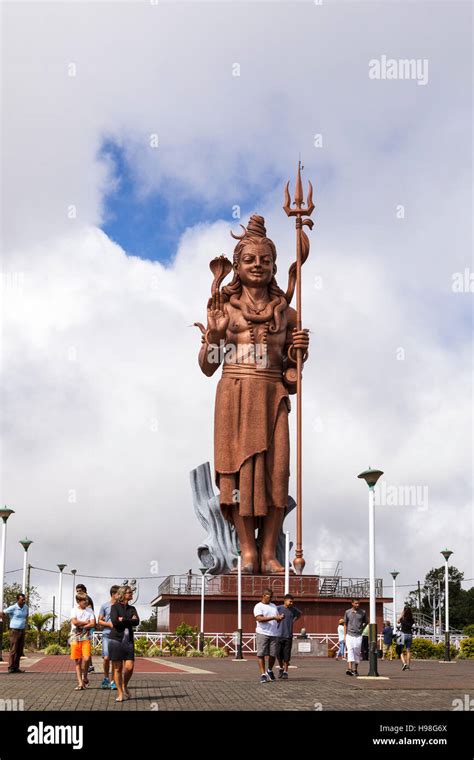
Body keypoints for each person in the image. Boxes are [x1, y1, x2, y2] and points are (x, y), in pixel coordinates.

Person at [197, 214, 310, 574]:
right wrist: (214, 337)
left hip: (272, 396)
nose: (258, 266)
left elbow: (292, 376)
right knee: (239, 477)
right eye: (249, 260)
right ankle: (247, 551)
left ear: (275, 266)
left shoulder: (288, 315)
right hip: (235, 394)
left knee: (276, 476)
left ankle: (269, 555)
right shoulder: (224, 309)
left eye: (265, 260)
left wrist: (299, 355)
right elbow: (206, 366)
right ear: (238, 265)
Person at [109, 585, 140, 702]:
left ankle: (124, 685)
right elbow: (115, 622)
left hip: (128, 641)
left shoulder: (132, 608)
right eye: (129, 592)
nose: (131, 594)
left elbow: (136, 621)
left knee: (129, 667)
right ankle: (120, 692)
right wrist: (128, 621)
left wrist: (124, 620)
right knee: (117, 669)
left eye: (131, 592)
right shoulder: (115, 607)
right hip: (115, 640)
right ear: (123, 594)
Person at [253, 589, 284, 683]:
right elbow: (259, 618)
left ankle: (269, 670)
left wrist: (279, 618)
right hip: (262, 632)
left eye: (271, 596)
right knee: (261, 654)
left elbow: (276, 617)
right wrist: (273, 617)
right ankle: (263, 674)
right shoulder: (258, 606)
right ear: (263, 596)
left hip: (274, 633)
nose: (270, 598)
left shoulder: (273, 606)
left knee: (273, 654)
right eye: (268, 596)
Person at [70, 592, 96, 690]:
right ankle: (80, 683)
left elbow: (93, 623)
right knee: (78, 661)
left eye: (86, 600)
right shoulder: (74, 610)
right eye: (83, 600)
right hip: (75, 637)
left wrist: (81, 625)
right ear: (78, 601)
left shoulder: (90, 610)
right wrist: (86, 623)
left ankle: (85, 676)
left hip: (86, 637)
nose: (86, 602)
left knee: (86, 658)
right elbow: (74, 622)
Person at [1, 593, 29, 673]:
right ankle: (11, 667)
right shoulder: (13, 607)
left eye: (24, 599)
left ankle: (16, 667)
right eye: (22, 599)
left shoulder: (25, 607)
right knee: (13, 649)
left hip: (22, 630)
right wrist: (5, 619)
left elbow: (26, 616)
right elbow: (3, 612)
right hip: (14, 631)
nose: (24, 601)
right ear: (18, 600)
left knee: (19, 650)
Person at [98, 585, 119, 690]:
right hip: (106, 634)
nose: (120, 596)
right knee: (106, 658)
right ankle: (106, 678)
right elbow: (99, 621)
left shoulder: (121, 606)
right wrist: (109, 624)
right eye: (119, 594)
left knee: (115, 659)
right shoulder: (104, 606)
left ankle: (113, 681)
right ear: (113, 594)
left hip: (117, 635)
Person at [276, 594, 302, 679]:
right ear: (285, 601)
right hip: (278, 635)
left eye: (292, 601)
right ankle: (281, 668)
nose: (291, 603)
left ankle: (286, 672)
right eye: (290, 601)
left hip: (288, 635)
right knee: (278, 654)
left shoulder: (293, 610)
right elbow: (273, 616)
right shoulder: (278, 608)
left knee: (286, 656)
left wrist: (293, 620)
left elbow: (299, 614)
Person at [343, 598, 367, 676]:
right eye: (356, 603)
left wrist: (362, 629)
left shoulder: (363, 612)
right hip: (349, 634)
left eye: (358, 603)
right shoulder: (347, 612)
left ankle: (355, 669)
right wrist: (344, 635)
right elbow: (345, 624)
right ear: (352, 603)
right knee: (350, 650)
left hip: (358, 635)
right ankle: (349, 668)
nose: (357, 605)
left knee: (357, 652)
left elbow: (366, 622)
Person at [76, 583, 95, 673]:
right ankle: (89, 665)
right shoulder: (80, 601)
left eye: (80, 591)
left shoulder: (87, 599)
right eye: (77, 591)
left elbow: (89, 612)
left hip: (88, 627)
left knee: (86, 645)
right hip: (81, 627)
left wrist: (84, 624)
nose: (78, 592)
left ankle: (90, 665)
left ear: (84, 591)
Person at [398, 606, 414, 671]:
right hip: (410, 634)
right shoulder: (412, 620)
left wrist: (402, 614)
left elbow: (398, 621)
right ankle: (408, 665)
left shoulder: (402, 619)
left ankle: (404, 663)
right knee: (408, 650)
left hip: (402, 635)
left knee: (400, 650)